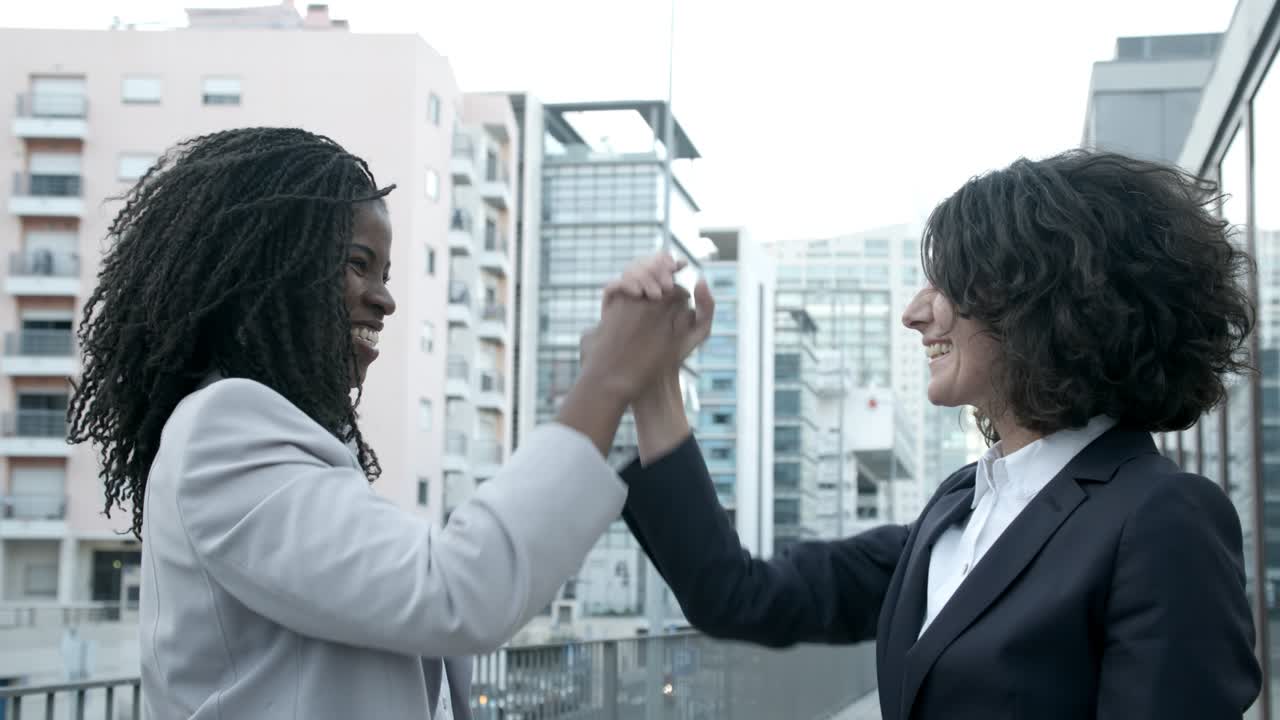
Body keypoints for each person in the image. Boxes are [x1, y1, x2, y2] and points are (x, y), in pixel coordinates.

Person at [67, 127, 709, 720]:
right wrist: (605, 379)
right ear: (264, 270)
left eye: (386, 272)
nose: (385, 298)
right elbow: (459, 591)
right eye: (356, 261)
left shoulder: (288, 443)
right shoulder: (223, 427)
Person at [603, 150, 1263, 720]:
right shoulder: (959, 508)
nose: (915, 313)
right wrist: (652, 386)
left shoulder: (1162, 518)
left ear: (1045, 302)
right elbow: (737, 595)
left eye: (948, 285)